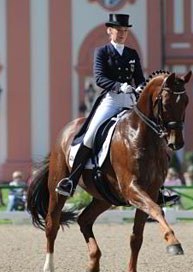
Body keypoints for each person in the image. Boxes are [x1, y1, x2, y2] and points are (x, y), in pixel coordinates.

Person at [56, 13, 145, 197]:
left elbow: (140, 79)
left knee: (150, 132)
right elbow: (100, 78)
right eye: (118, 30)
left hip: (130, 102)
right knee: (90, 134)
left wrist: (142, 88)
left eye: (125, 31)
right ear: (109, 31)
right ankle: (72, 179)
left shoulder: (132, 54)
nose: (122, 34)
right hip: (111, 101)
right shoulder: (102, 52)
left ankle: (157, 187)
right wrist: (120, 86)